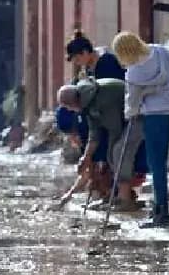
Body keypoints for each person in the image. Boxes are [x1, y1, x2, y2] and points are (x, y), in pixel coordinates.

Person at [112, 31, 169, 229]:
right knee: (161, 162)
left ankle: (161, 213)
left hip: (153, 116)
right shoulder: (159, 52)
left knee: (156, 164)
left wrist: (130, 111)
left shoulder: (133, 73)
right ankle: (159, 209)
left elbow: (131, 105)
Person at [56, 79, 144, 210]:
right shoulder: (87, 104)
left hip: (140, 113)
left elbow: (115, 129)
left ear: (74, 102)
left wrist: (110, 155)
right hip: (125, 118)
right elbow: (94, 133)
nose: (71, 110)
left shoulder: (101, 97)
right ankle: (117, 195)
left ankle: (125, 199)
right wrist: (86, 158)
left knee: (119, 152)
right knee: (112, 154)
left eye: (69, 107)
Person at [57, 31, 127, 167]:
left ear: (85, 52)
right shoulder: (87, 70)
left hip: (114, 111)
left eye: (77, 59)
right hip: (99, 112)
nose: (78, 63)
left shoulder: (106, 63)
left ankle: (100, 165)